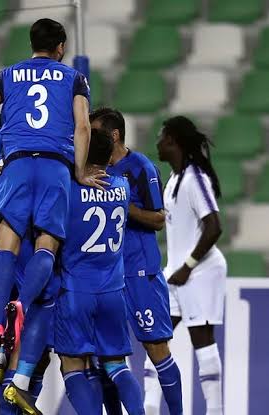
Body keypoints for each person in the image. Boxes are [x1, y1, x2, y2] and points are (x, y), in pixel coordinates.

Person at [0, 18, 103, 376]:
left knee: (6, 246)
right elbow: (82, 126)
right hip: (55, 167)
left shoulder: (4, 75)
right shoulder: (75, 78)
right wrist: (79, 172)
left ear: (31, 43)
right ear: (60, 47)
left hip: (14, 165)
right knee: (46, 246)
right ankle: (22, 304)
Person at [92, 107, 183, 415]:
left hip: (140, 272)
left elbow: (159, 219)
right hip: (108, 276)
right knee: (106, 356)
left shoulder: (141, 168)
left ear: (114, 135)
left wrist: (122, 205)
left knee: (157, 350)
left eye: (96, 131)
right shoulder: (94, 170)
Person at [48, 128, 144, 415]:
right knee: (116, 364)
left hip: (76, 290)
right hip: (113, 290)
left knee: (72, 364)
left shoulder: (69, 189)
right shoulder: (123, 187)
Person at [156, 115, 226, 415]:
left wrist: (188, 265)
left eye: (161, 136)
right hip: (175, 273)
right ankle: (147, 405)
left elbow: (214, 226)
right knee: (156, 338)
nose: (157, 142)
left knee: (202, 339)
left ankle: (216, 410)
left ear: (172, 140)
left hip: (199, 271)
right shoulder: (174, 179)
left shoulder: (196, 177)